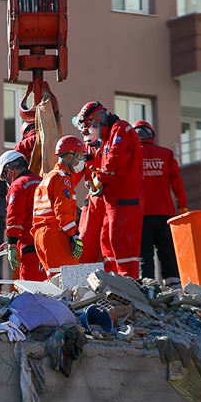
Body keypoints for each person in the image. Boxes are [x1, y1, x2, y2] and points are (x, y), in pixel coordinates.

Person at [74, 102, 143, 278]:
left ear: (96, 119)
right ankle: (113, 280)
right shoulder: (105, 136)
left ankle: (128, 281)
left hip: (124, 198)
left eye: (90, 125)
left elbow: (114, 158)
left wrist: (99, 178)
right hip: (111, 198)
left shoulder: (120, 129)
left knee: (121, 242)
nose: (89, 131)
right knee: (108, 241)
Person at [135, 120, 188, 283]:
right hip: (165, 212)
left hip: (140, 213)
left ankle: (148, 283)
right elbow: (177, 183)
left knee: (144, 251)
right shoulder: (166, 154)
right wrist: (183, 206)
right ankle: (172, 282)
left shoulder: (131, 155)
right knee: (167, 249)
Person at [32, 136, 84, 277]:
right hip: (56, 235)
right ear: (68, 157)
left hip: (41, 235)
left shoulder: (47, 178)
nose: (80, 161)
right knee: (68, 282)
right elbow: (63, 210)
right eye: (78, 156)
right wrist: (73, 235)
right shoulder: (63, 178)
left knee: (55, 283)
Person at [0, 150, 46, 281]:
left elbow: (14, 216)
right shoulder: (43, 182)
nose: (6, 181)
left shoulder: (19, 185)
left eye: (4, 176)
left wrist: (11, 244)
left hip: (30, 247)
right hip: (49, 246)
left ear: (9, 170)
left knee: (31, 293)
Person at [72, 103, 106, 264]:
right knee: (86, 239)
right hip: (94, 200)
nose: (85, 133)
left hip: (111, 199)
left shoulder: (112, 143)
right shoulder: (86, 148)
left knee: (109, 242)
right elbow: (72, 176)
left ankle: (116, 280)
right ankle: (88, 282)